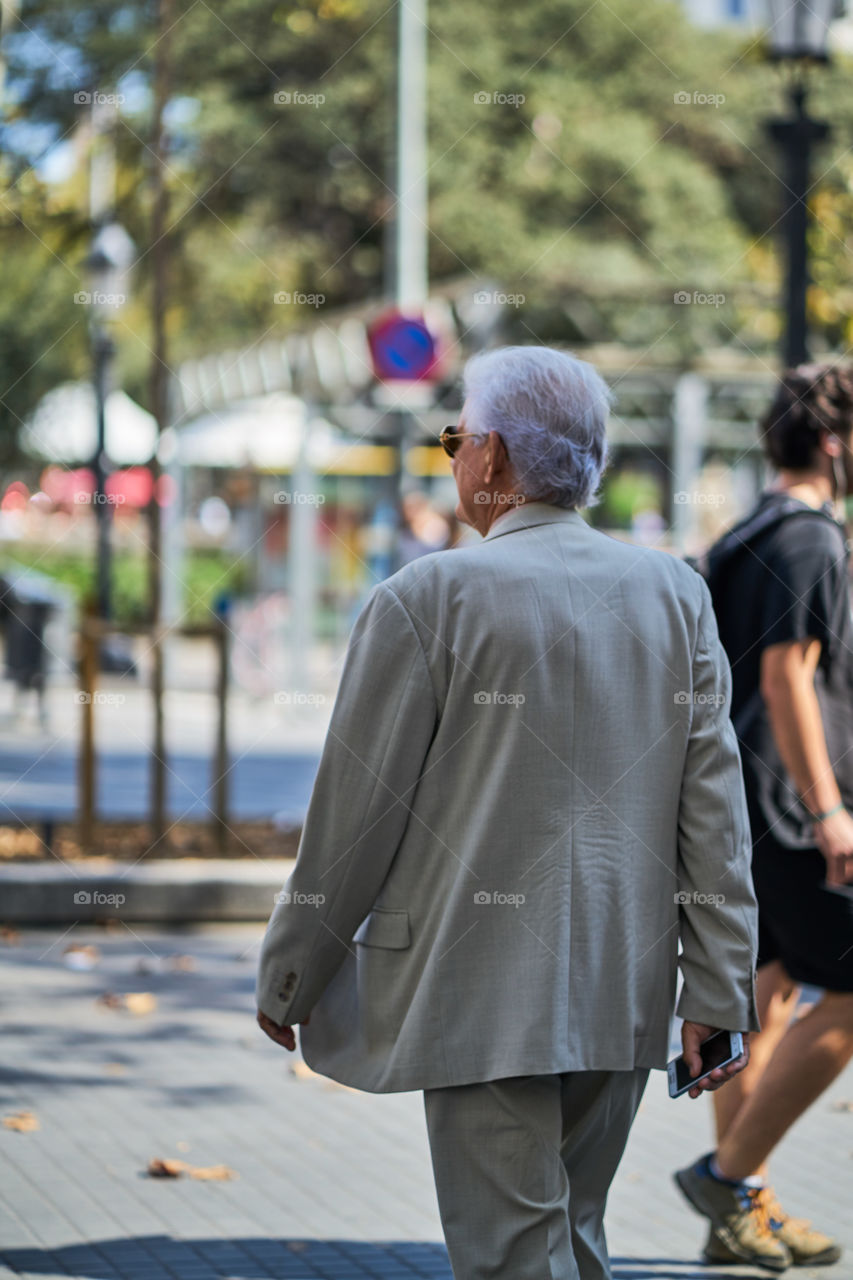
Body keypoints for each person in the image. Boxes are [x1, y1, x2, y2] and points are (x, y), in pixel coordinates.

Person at [256, 345, 760, 1280]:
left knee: (513, 1257)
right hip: (624, 984)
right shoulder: (673, 596)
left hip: (477, 990)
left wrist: (292, 973)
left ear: (488, 458)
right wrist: (719, 992)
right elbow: (713, 821)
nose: (452, 460)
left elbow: (354, 819)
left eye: (454, 439)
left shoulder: (426, 598)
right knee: (572, 1237)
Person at [675, 364, 853, 1270]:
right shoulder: (811, 540)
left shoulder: (747, 529)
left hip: (734, 801)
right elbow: (788, 677)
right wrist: (829, 811)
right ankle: (724, 1175)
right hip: (785, 808)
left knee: (759, 1000)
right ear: (831, 442)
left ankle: (742, 1207)